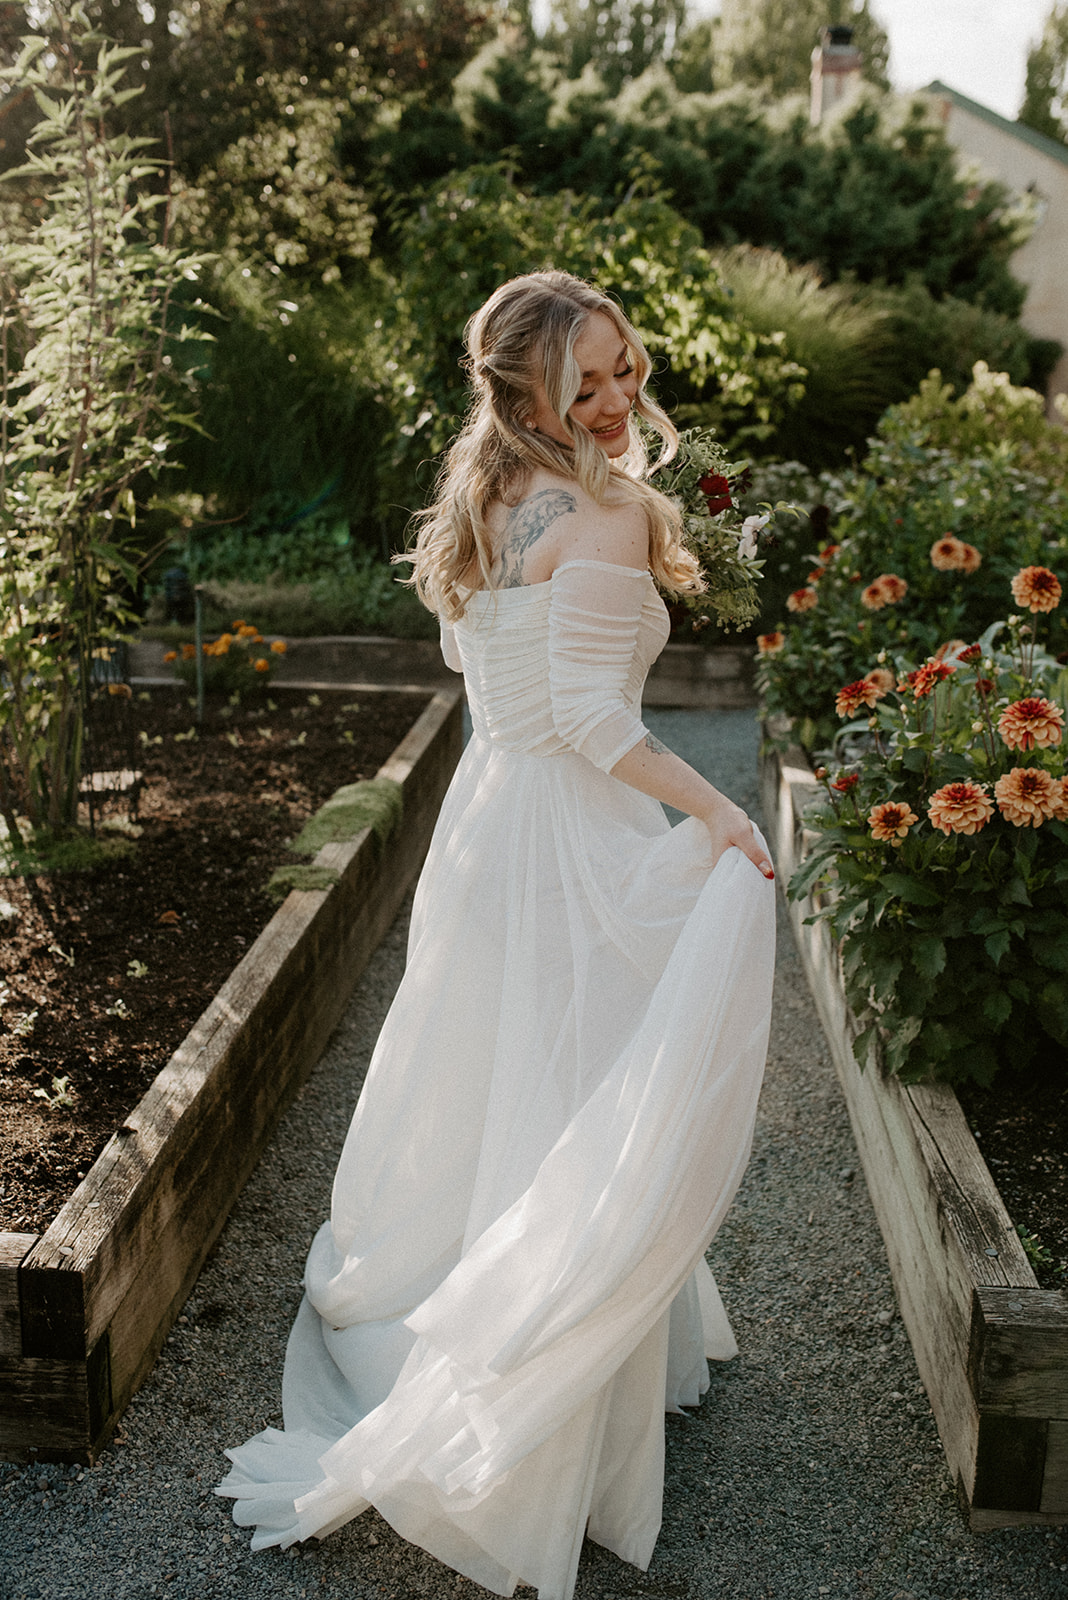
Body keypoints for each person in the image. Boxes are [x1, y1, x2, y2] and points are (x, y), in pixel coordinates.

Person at [217, 270, 776, 1599]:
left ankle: (489, 1314)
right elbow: (595, 720)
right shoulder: (614, 508)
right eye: (585, 383)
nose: (617, 395)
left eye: (624, 368)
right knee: (574, 1089)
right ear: (527, 392)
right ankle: (538, 1390)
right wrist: (721, 813)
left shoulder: (486, 496)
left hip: (485, 828)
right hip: (569, 837)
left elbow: (498, 683)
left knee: (491, 1083)